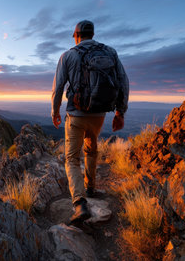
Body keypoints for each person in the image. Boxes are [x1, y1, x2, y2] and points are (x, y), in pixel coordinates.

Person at [51, 20, 129, 224]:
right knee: (92, 149)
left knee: (71, 159)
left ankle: (79, 204)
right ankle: (91, 187)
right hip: (99, 114)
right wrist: (120, 112)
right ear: (92, 34)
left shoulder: (68, 55)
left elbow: (58, 87)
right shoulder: (110, 52)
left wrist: (54, 111)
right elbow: (123, 82)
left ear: (75, 35)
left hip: (75, 116)